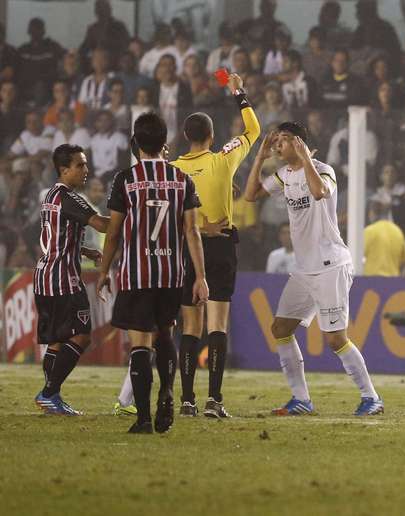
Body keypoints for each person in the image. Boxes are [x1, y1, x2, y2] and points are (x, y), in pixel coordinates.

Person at [244, 121, 383, 416]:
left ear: (299, 143)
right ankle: (301, 400)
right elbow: (250, 196)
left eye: (284, 140)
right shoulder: (284, 174)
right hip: (304, 269)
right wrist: (260, 156)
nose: (279, 145)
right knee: (281, 328)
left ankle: (371, 397)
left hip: (331, 265)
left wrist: (306, 157)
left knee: (335, 338)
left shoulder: (323, 169)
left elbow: (320, 192)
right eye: (277, 141)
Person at [97, 112, 208, 434]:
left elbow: (114, 232)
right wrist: (200, 277)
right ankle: (168, 395)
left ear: (136, 143)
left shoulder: (126, 179)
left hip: (136, 274)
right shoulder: (182, 179)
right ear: (165, 142)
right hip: (171, 274)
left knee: (140, 345)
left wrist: (104, 270)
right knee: (165, 334)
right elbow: (192, 232)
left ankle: (143, 417)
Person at [171, 72, 260, 418]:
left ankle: (188, 400)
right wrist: (237, 90)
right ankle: (214, 400)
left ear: (184, 136)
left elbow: (167, 216)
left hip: (186, 248)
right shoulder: (224, 158)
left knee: (190, 327)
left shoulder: (173, 170)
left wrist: (196, 227)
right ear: (211, 136)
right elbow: (253, 130)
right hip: (221, 245)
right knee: (217, 324)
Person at [33, 144, 109, 415]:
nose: (86, 170)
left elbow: (54, 236)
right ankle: (49, 392)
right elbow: (101, 224)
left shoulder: (50, 196)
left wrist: (85, 249)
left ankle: (51, 397)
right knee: (82, 337)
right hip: (64, 280)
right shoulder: (69, 198)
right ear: (64, 170)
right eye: (80, 165)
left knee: (56, 340)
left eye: (85, 164)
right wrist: (133, 219)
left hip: (44, 278)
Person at [363, 201, 405, 276]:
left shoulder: (369, 231)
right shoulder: (397, 231)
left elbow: (356, 256)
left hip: (371, 281)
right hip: (392, 282)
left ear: (372, 213)